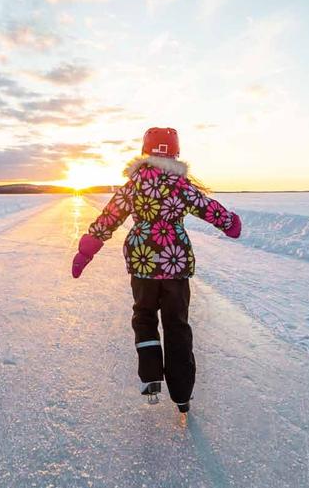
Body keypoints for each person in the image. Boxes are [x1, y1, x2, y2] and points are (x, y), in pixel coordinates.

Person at [70, 127, 242, 414]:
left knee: (145, 316)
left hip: (143, 262)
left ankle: (150, 377)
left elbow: (110, 217)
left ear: (145, 152)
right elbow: (207, 206)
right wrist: (228, 223)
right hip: (176, 265)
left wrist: (87, 249)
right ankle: (182, 395)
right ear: (175, 152)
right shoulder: (181, 185)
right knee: (177, 326)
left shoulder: (135, 184)